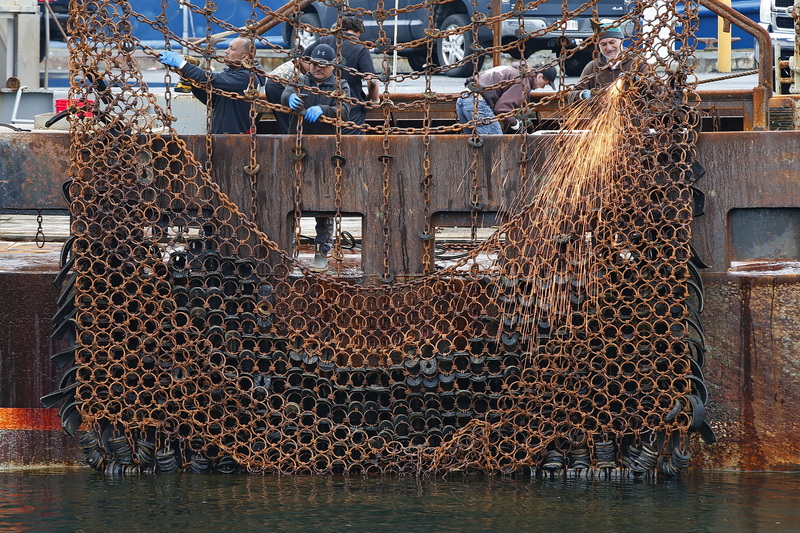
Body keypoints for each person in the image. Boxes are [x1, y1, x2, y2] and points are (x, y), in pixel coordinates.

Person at [281, 43, 351, 272]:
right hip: (298, 148)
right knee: (293, 199)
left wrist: (324, 109)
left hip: (324, 151)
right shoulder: (301, 81)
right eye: (312, 63)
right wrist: (290, 98)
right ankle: (287, 246)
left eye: (321, 64)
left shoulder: (340, 86)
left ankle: (322, 251)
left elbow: (345, 110)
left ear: (332, 66)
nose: (316, 68)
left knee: (323, 202)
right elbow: (286, 93)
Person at [158, 37, 264, 134]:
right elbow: (212, 100)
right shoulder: (233, 74)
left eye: (232, 49)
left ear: (244, 56)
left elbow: (210, 79)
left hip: (236, 138)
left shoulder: (246, 78)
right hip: (223, 136)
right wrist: (193, 83)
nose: (226, 51)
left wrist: (182, 65)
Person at [306, 15, 379, 135]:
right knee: (352, 146)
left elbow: (302, 59)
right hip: (351, 110)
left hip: (323, 103)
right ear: (359, 30)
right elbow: (372, 80)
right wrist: (373, 99)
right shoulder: (360, 48)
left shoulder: (325, 40)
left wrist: (314, 78)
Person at [456, 62, 557, 135]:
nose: (542, 87)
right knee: (496, 142)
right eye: (545, 84)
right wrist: (516, 125)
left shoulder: (512, 71)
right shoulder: (522, 82)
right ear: (540, 76)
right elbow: (502, 109)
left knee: (472, 141)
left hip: (463, 98)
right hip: (477, 103)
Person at [567, 23, 647, 104]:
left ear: (622, 41)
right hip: (602, 115)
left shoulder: (638, 64)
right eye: (603, 44)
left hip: (631, 115)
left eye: (612, 42)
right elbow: (572, 96)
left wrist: (639, 81)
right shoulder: (593, 67)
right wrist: (582, 95)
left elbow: (657, 90)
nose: (608, 48)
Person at [265, 48, 312, 133]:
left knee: (286, 120)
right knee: (288, 120)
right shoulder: (297, 70)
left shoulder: (296, 63)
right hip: (277, 85)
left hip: (274, 82)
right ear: (301, 60)